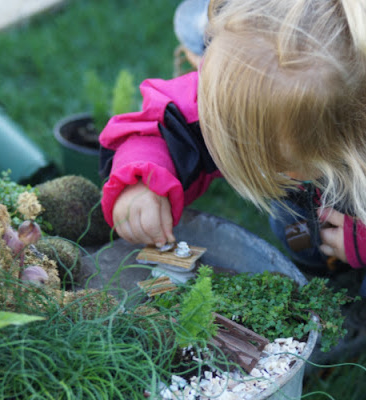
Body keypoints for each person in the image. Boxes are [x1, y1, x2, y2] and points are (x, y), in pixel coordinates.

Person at [99, 0, 366, 291]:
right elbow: (159, 129)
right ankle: (313, 267)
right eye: (246, 151)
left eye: (281, 160)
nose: (265, 168)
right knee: (298, 236)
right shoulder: (231, 97)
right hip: (296, 210)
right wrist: (142, 180)